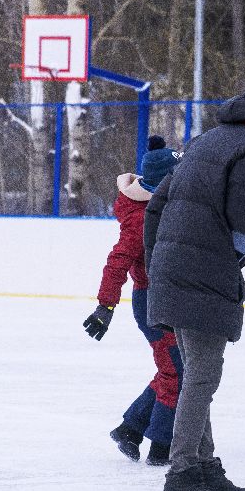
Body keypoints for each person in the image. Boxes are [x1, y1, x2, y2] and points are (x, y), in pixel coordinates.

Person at [144, 80, 245, 491]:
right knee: (202, 377)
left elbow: (157, 205)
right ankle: (181, 475)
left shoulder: (207, 140)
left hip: (176, 270)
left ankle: (204, 466)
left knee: (198, 373)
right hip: (204, 273)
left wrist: (158, 262)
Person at [83, 136, 182, 467]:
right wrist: (105, 306)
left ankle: (131, 428)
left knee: (174, 368)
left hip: (167, 298)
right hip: (152, 303)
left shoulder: (164, 203)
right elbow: (118, 260)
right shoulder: (142, 217)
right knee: (176, 371)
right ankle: (161, 445)